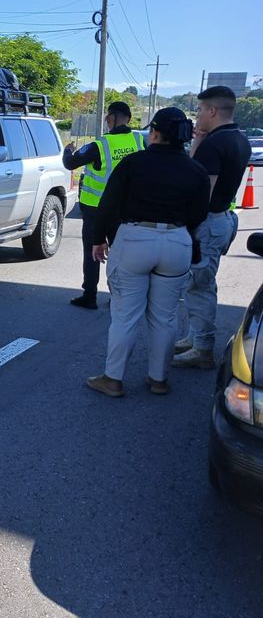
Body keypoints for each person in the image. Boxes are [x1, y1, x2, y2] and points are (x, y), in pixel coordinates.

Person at [85, 107, 210, 397]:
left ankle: (113, 379)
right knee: (165, 318)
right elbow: (198, 214)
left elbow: (109, 203)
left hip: (134, 240)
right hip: (177, 243)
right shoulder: (196, 171)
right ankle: (159, 379)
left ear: (154, 132)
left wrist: (99, 238)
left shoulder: (134, 163)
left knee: (125, 315)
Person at [172, 86, 252, 369]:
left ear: (212, 111)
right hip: (223, 218)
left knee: (200, 286)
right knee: (200, 283)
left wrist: (184, 226)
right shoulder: (238, 138)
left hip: (209, 221)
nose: (197, 116)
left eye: (200, 110)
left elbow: (200, 189)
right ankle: (195, 338)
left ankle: (203, 347)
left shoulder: (216, 144)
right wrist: (200, 141)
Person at [63, 101, 145, 309]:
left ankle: (89, 295)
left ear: (111, 118)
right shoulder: (139, 140)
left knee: (92, 252)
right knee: (120, 254)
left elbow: (70, 164)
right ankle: (118, 297)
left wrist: (67, 151)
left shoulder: (100, 145)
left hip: (96, 209)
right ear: (128, 119)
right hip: (126, 208)